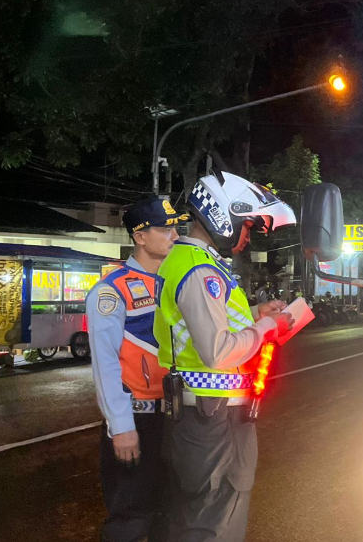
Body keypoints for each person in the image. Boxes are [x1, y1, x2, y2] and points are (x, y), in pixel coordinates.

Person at [153, 172, 297, 542]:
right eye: (246, 225)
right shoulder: (199, 269)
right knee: (213, 520)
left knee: (199, 516)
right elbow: (217, 351)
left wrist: (256, 313)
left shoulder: (191, 261)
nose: (247, 237)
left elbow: (208, 322)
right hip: (212, 416)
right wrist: (269, 327)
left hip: (206, 413)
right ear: (223, 215)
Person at [86, 197, 188, 542]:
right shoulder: (111, 290)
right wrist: (121, 427)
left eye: (176, 228)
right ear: (140, 237)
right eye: (165, 229)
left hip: (176, 417)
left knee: (169, 513)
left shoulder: (176, 283)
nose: (175, 236)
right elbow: (105, 364)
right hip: (137, 419)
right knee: (130, 518)